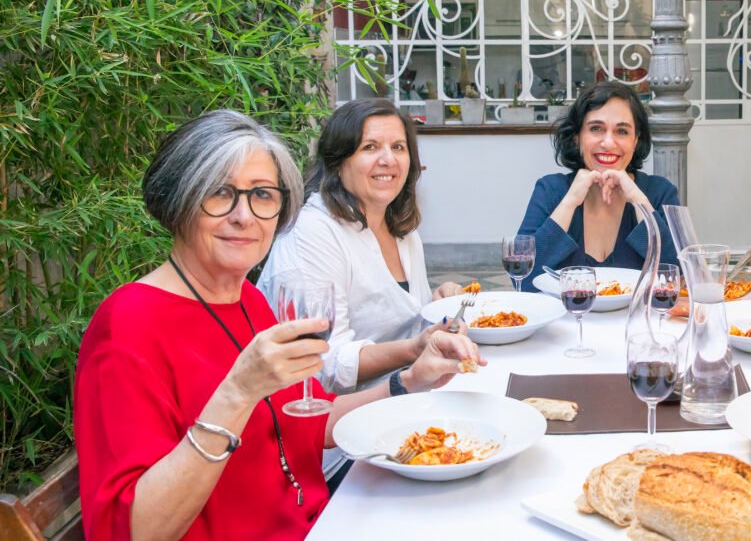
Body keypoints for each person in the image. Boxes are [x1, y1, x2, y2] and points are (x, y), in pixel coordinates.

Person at [75, 110, 481, 540]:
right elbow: (134, 531)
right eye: (219, 193)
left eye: (262, 195)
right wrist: (237, 393)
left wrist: (410, 379)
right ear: (177, 200)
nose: (244, 216)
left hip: (321, 520)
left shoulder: (247, 300)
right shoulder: (128, 327)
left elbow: (310, 426)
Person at [258, 99, 464, 397]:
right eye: (370, 147)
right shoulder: (310, 234)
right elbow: (320, 363)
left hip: (408, 397)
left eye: (398, 147)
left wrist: (436, 303)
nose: (388, 160)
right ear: (337, 161)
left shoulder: (401, 228)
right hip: (338, 424)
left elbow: (397, 319)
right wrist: (414, 348)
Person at [517, 81, 679, 289]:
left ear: (636, 140)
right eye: (596, 129)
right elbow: (522, 280)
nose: (609, 143)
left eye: (622, 131)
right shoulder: (550, 190)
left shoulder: (660, 192)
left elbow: (678, 278)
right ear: (577, 137)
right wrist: (570, 202)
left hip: (638, 321)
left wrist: (639, 201)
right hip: (567, 321)